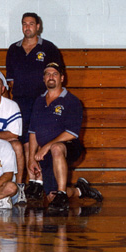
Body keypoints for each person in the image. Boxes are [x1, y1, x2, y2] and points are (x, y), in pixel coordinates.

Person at [27, 63, 103, 210]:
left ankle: (62, 193)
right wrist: (32, 158)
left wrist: (47, 146)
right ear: (43, 79)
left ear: (62, 78)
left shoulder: (72, 101)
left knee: (56, 148)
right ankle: (80, 191)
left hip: (68, 147)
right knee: (50, 196)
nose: (51, 77)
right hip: (46, 152)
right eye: (47, 74)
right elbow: (33, 132)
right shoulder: (38, 101)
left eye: (54, 74)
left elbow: (71, 133)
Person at [6, 12, 64, 152]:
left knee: (41, 139)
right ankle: (28, 173)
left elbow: (56, 77)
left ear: (38, 26)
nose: (27, 27)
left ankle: (41, 173)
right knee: (24, 140)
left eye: (31, 24)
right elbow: (11, 80)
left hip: (43, 101)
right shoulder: (14, 49)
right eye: (24, 24)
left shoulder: (49, 48)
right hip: (21, 103)